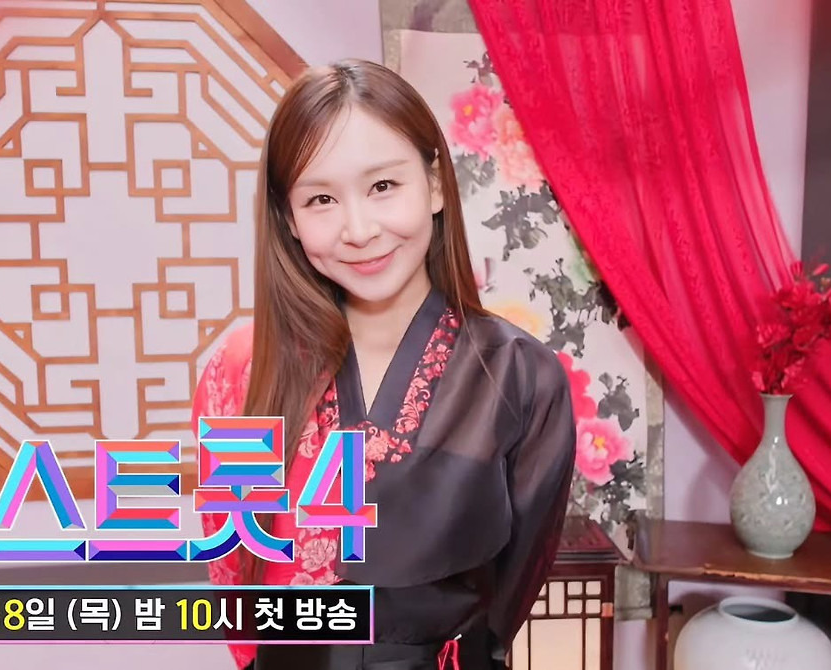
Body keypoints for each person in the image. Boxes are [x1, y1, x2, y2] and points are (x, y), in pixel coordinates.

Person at [190, 58, 576, 670]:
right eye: (321, 198)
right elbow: (234, 573)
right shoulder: (240, 368)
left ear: (436, 184)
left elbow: (513, 588)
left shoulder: (523, 378)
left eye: (383, 186)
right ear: (289, 219)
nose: (359, 229)